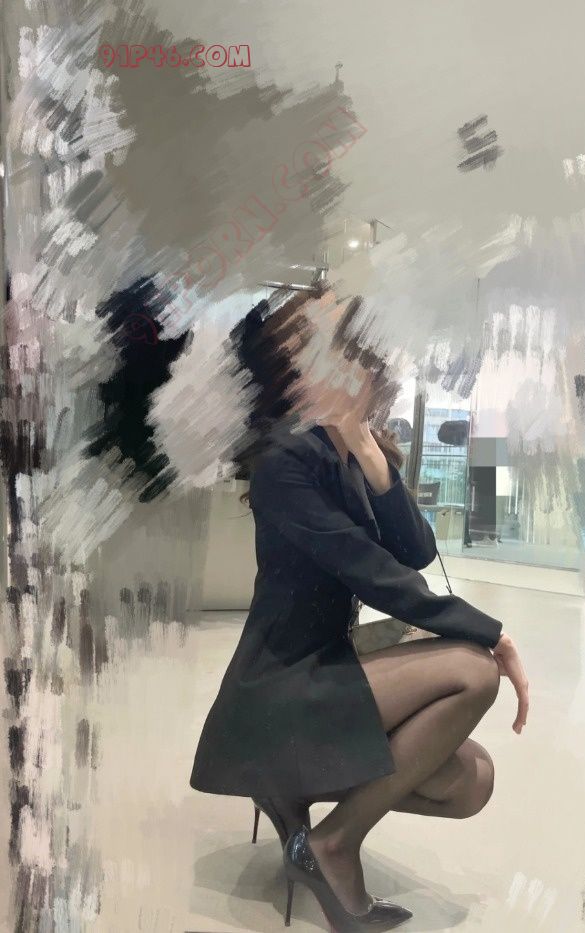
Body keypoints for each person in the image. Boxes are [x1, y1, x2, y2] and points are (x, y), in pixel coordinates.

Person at [189, 284, 530, 931]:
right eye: (326, 352)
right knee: (473, 671)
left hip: (332, 661)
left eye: (350, 349)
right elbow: (377, 577)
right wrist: (494, 634)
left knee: (474, 780)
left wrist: (370, 451)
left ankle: (292, 796)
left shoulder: (346, 452)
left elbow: (416, 550)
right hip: (281, 684)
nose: (350, 363)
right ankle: (333, 844)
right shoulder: (286, 460)